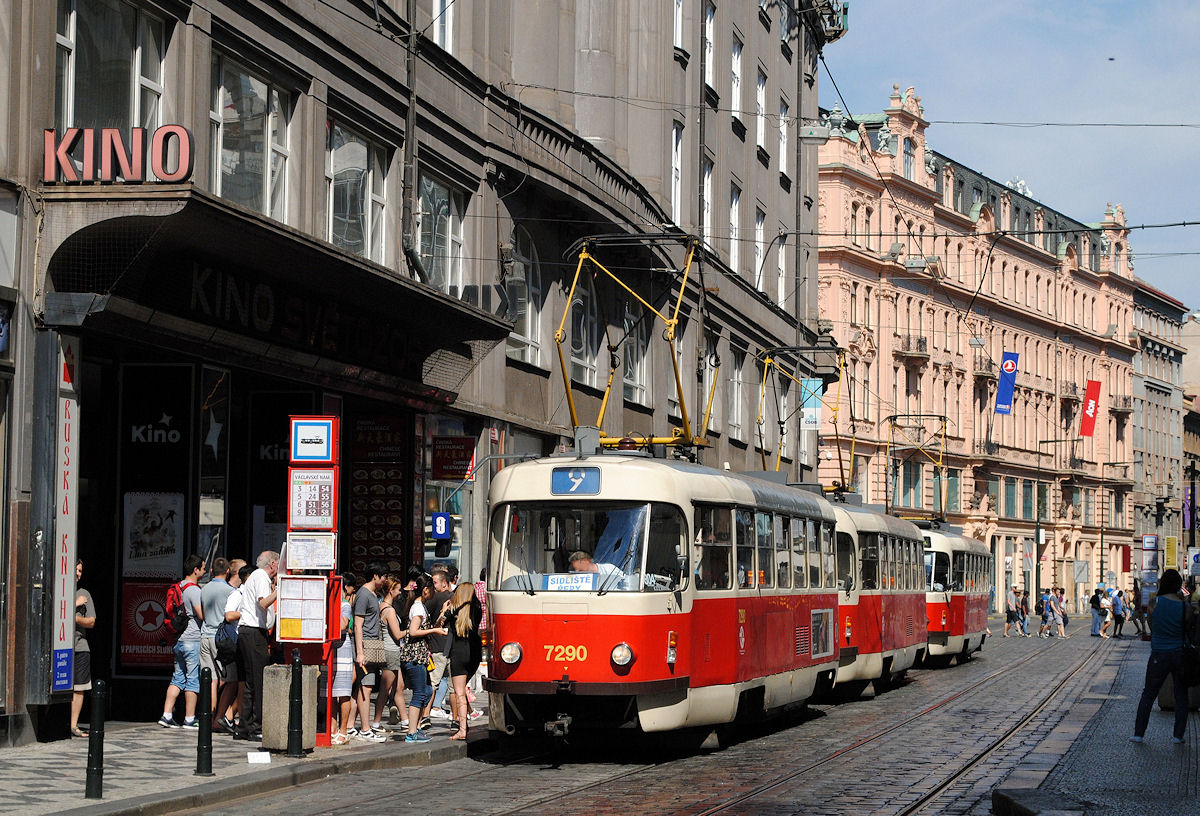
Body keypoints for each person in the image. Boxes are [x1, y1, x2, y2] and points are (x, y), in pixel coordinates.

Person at [1131, 569, 1193, 744]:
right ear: (1178, 585)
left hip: (1159, 653)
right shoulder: (1184, 606)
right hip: (1180, 654)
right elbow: (1187, 628)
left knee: (1149, 693)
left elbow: (1152, 625)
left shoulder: (1154, 602)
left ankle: (1139, 733)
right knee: (1181, 695)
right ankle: (1178, 735)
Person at [235, 550, 279, 741]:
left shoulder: (255, 577)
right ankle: (255, 727)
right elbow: (263, 603)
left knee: (251, 682)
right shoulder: (260, 576)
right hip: (253, 632)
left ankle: (244, 727)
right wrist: (280, 591)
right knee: (258, 681)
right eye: (278, 564)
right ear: (272, 564)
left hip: (247, 631)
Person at [159, 555, 205, 728]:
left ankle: (166, 715)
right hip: (192, 639)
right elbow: (201, 615)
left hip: (178, 639)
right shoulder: (194, 590)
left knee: (177, 678)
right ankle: (189, 718)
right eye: (203, 567)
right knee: (193, 679)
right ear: (195, 570)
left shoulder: (178, 586)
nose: (205, 570)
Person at [200, 557, 243, 720]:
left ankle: (207, 717)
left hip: (205, 635)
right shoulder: (230, 591)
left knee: (210, 679)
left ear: (211, 571)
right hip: (222, 639)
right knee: (230, 680)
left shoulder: (203, 589)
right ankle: (219, 718)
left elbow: (203, 613)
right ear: (227, 572)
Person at [402, 574, 444, 743]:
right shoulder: (418, 608)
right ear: (426, 590)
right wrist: (434, 631)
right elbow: (413, 631)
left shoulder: (419, 606)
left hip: (421, 656)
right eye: (432, 588)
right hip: (415, 656)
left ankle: (416, 728)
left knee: (426, 691)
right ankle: (411, 732)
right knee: (420, 693)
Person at [442, 582, 484, 740]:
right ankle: (464, 724)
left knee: (459, 693)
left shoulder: (453, 610)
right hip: (474, 653)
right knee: (464, 687)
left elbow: (439, 623)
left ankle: (462, 729)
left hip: (458, 653)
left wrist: (444, 610)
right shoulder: (477, 608)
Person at [352, 561, 388, 743]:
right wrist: (360, 652)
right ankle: (365, 728)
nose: (385, 580)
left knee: (363, 687)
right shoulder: (364, 595)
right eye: (383, 576)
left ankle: (351, 726)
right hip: (366, 645)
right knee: (366, 686)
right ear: (375, 575)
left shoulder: (372, 594)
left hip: (371, 644)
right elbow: (358, 625)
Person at [217, 563, 254, 733]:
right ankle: (229, 716)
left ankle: (232, 717)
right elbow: (229, 614)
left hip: (245, 642)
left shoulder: (247, 593)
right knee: (241, 683)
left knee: (244, 683)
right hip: (237, 643)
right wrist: (247, 613)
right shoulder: (238, 594)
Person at [378, 576, 411, 733]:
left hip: (392, 651)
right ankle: (376, 723)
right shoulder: (389, 611)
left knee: (399, 687)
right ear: (391, 591)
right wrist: (412, 631)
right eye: (398, 589)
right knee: (385, 689)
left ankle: (405, 721)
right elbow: (397, 634)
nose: (400, 592)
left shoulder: (383, 607)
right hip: (390, 651)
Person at [330, 573, 357, 745]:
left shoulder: (344, 605)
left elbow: (342, 625)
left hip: (343, 648)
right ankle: (332, 728)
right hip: (330, 649)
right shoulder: (329, 604)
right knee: (330, 692)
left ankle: (343, 729)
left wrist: (334, 608)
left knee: (343, 692)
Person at [425, 568, 454, 724]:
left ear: (444, 583)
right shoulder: (454, 598)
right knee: (453, 686)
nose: (432, 585)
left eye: (434, 582)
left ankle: (426, 714)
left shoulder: (436, 598)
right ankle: (457, 718)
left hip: (437, 646)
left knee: (433, 683)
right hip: (450, 646)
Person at [70, 559, 95, 738]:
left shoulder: (84, 593)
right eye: (75, 569)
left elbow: (91, 621)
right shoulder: (61, 591)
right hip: (61, 649)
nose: (78, 573)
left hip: (80, 646)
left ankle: (73, 725)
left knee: (79, 687)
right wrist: (74, 606)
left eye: (80, 571)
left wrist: (74, 617)